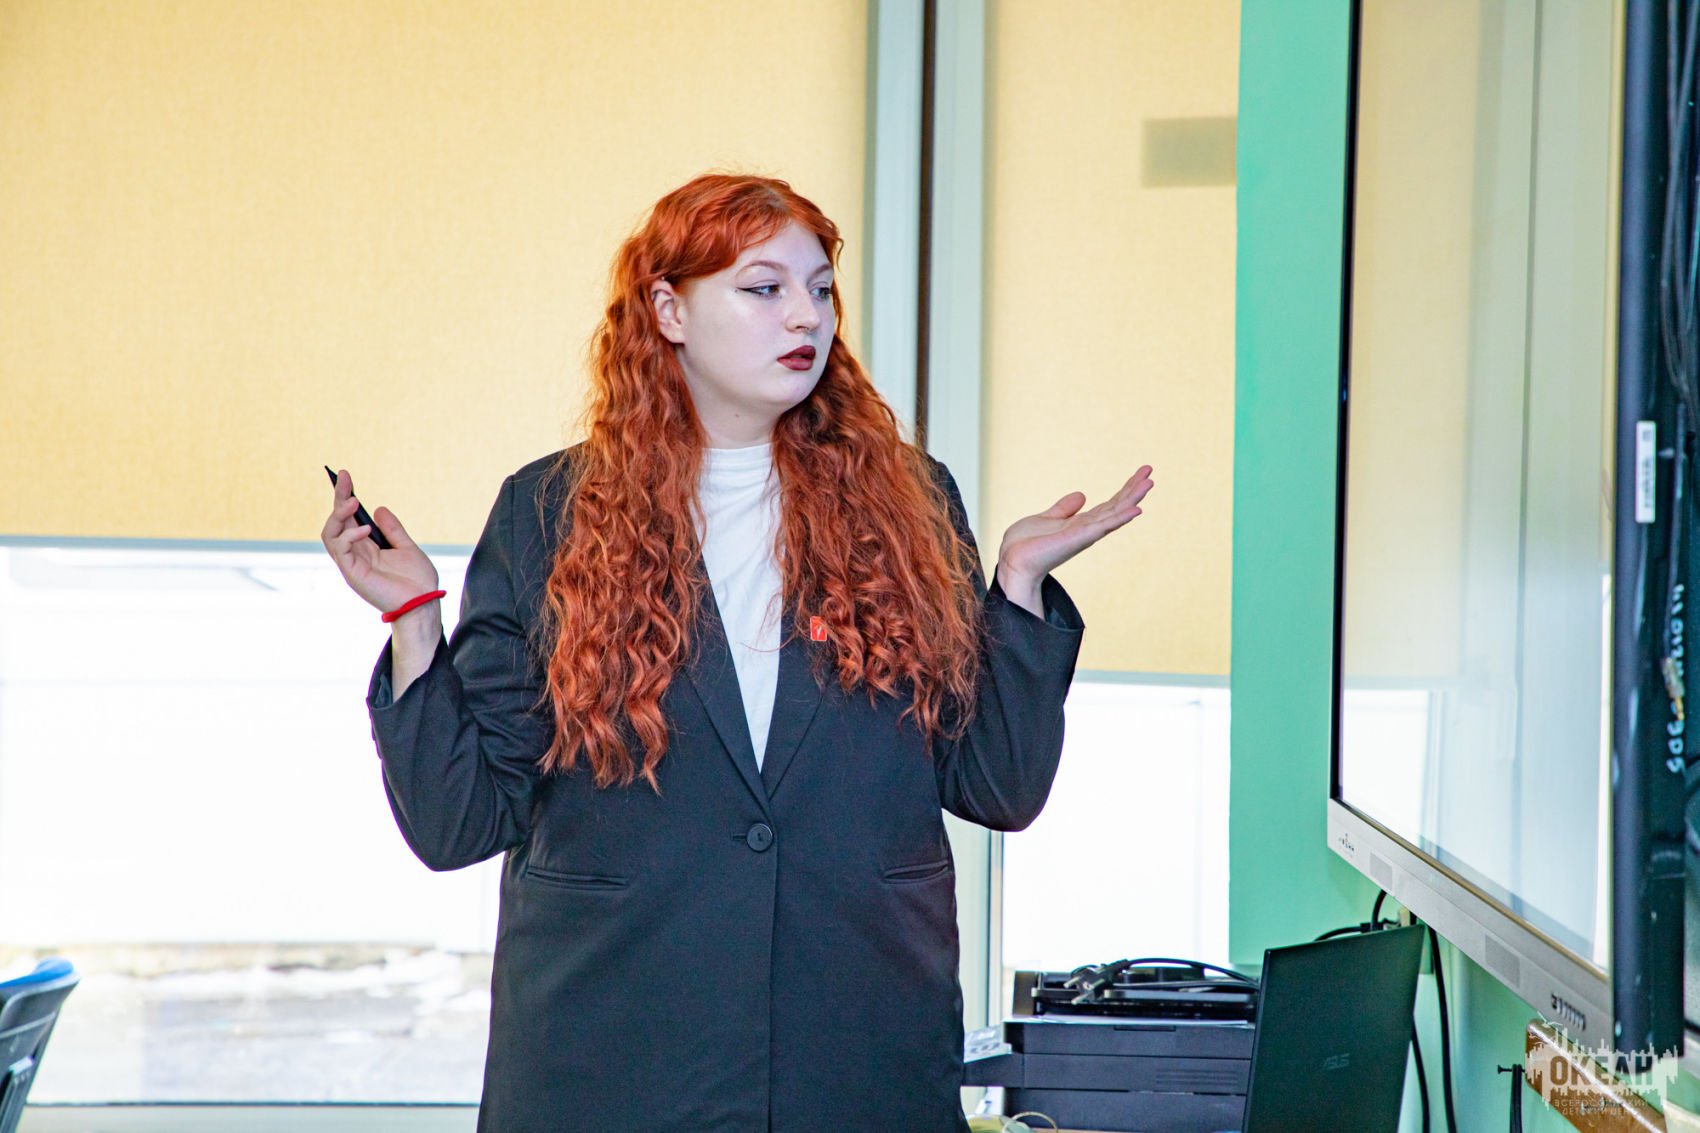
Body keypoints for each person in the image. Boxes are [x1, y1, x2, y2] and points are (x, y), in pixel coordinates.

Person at [321, 173, 1153, 1132]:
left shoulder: (911, 501)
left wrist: (1017, 588)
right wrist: (414, 622)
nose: (807, 315)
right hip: (611, 1061)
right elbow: (458, 822)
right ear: (669, 310)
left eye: (821, 288)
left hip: (854, 1058)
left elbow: (998, 784)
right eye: (765, 288)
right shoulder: (547, 513)